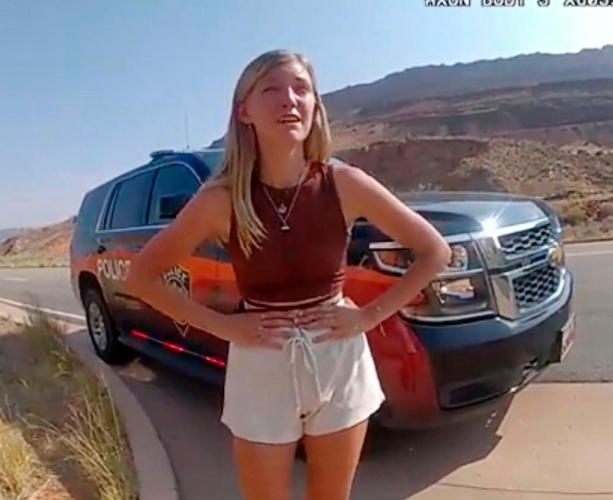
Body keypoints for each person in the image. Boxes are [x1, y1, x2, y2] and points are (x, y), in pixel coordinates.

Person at [128, 49, 451, 500]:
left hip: (338, 357)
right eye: (272, 90)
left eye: (301, 88)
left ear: (315, 105)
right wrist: (223, 326)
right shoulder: (220, 200)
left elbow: (434, 251)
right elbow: (142, 276)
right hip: (262, 364)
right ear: (245, 110)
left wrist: (368, 317)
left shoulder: (345, 183)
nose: (290, 100)